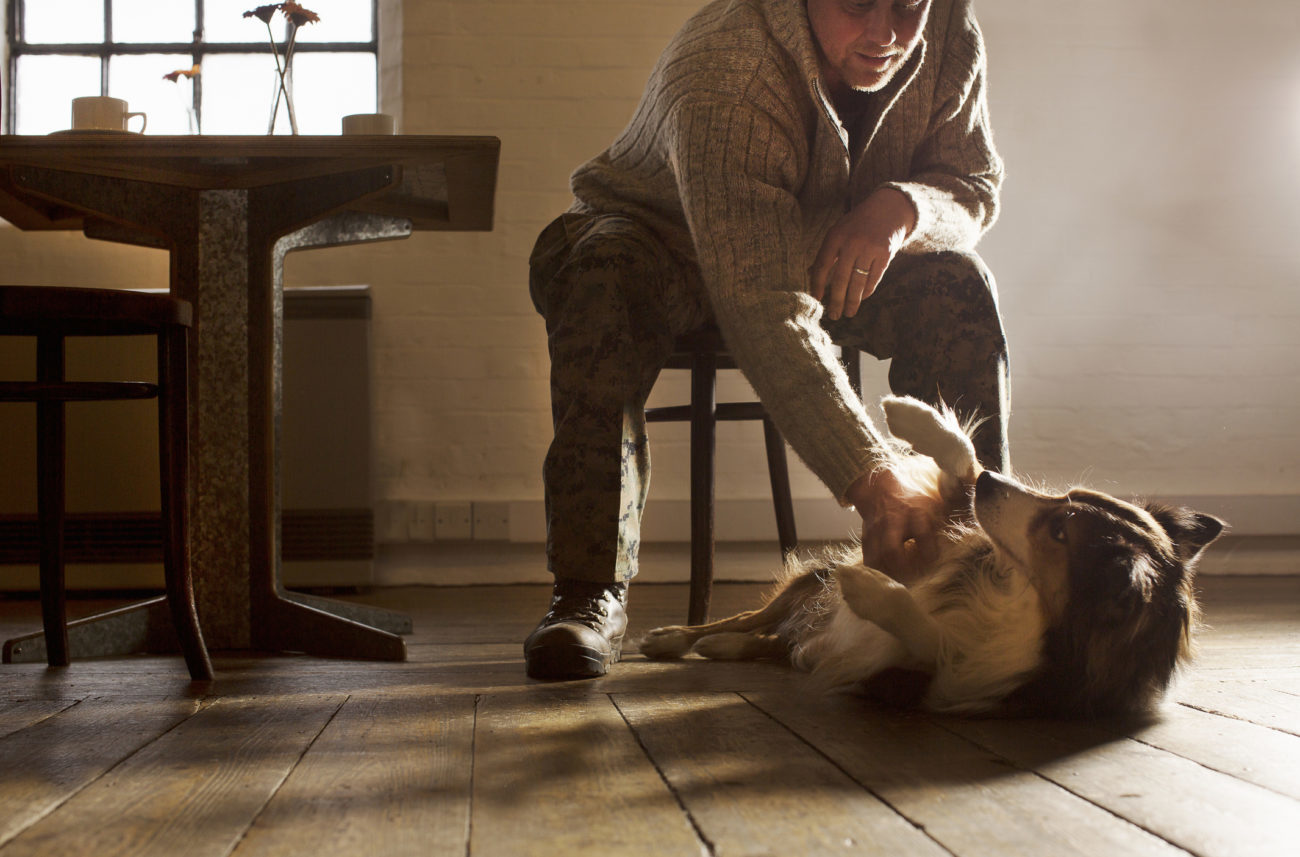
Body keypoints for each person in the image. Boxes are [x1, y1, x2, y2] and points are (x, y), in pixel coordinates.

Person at [525, 0, 1009, 680]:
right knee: (601, 279)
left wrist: (903, 208)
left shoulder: (951, 26)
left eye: (906, 7)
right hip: (652, 244)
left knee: (957, 284)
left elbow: (972, 185)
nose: (883, 34)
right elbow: (761, 301)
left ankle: (980, 561)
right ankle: (586, 591)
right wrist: (873, 476)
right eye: (856, 4)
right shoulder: (730, 65)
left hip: (815, 247)